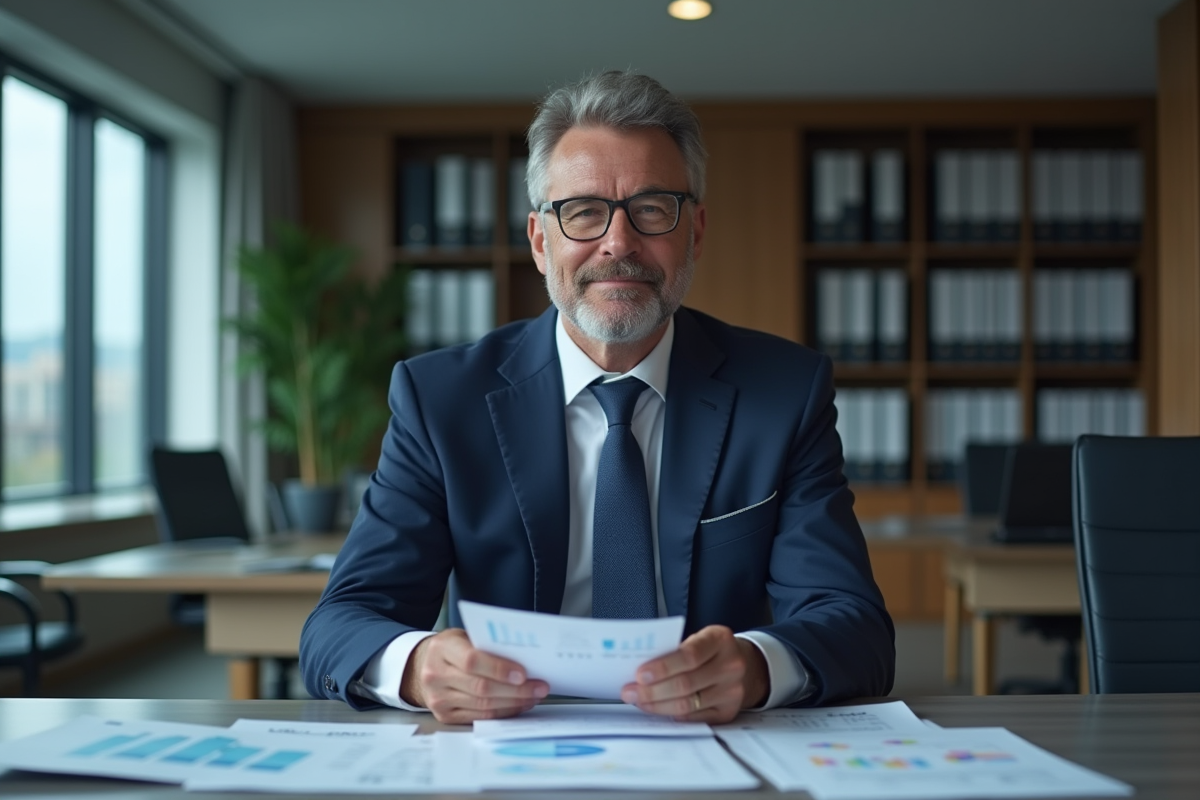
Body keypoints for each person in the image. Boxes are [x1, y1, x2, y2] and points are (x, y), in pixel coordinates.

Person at [300, 71, 895, 724]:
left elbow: (855, 625)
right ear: (539, 240)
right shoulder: (441, 399)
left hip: (712, 746)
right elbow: (339, 623)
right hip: (506, 748)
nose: (618, 242)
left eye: (652, 208)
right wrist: (417, 668)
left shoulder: (783, 392)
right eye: (583, 211)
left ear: (694, 232)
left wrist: (756, 667)